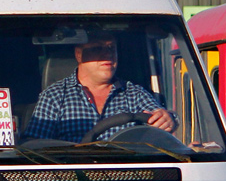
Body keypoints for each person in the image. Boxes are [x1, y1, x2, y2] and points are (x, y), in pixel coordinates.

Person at [24, 31, 175, 142]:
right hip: (73, 179)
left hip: (127, 178)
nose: (107, 54)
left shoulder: (134, 93)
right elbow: (35, 146)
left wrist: (169, 119)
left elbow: (159, 118)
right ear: (78, 54)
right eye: (97, 48)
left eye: (111, 48)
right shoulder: (54, 96)